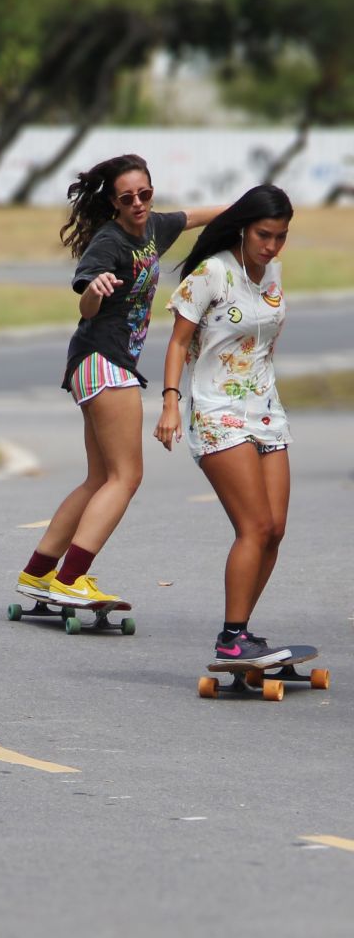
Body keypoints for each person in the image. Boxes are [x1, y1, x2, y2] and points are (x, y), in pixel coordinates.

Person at [16, 153, 224, 605]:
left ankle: (37, 573)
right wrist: (93, 291)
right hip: (103, 361)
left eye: (144, 194)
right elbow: (85, 305)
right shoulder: (107, 243)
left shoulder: (154, 228)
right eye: (127, 198)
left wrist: (250, 209)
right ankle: (71, 579)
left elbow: (198, 216)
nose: (138, 204)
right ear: (113, 202)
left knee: (100, 479)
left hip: (97, 365)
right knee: (126, 477)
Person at [153, 184, 294, 662]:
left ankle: (241, 634)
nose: (271, 246)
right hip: (216, 410)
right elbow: (177, 344)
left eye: (280, 236)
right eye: (263, 234)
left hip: (266, 410)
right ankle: (232, 635)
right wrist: (171, 402)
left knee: (274, 529)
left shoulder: (272, 272)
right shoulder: (212, 274)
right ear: (242, 228)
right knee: (252, 525)